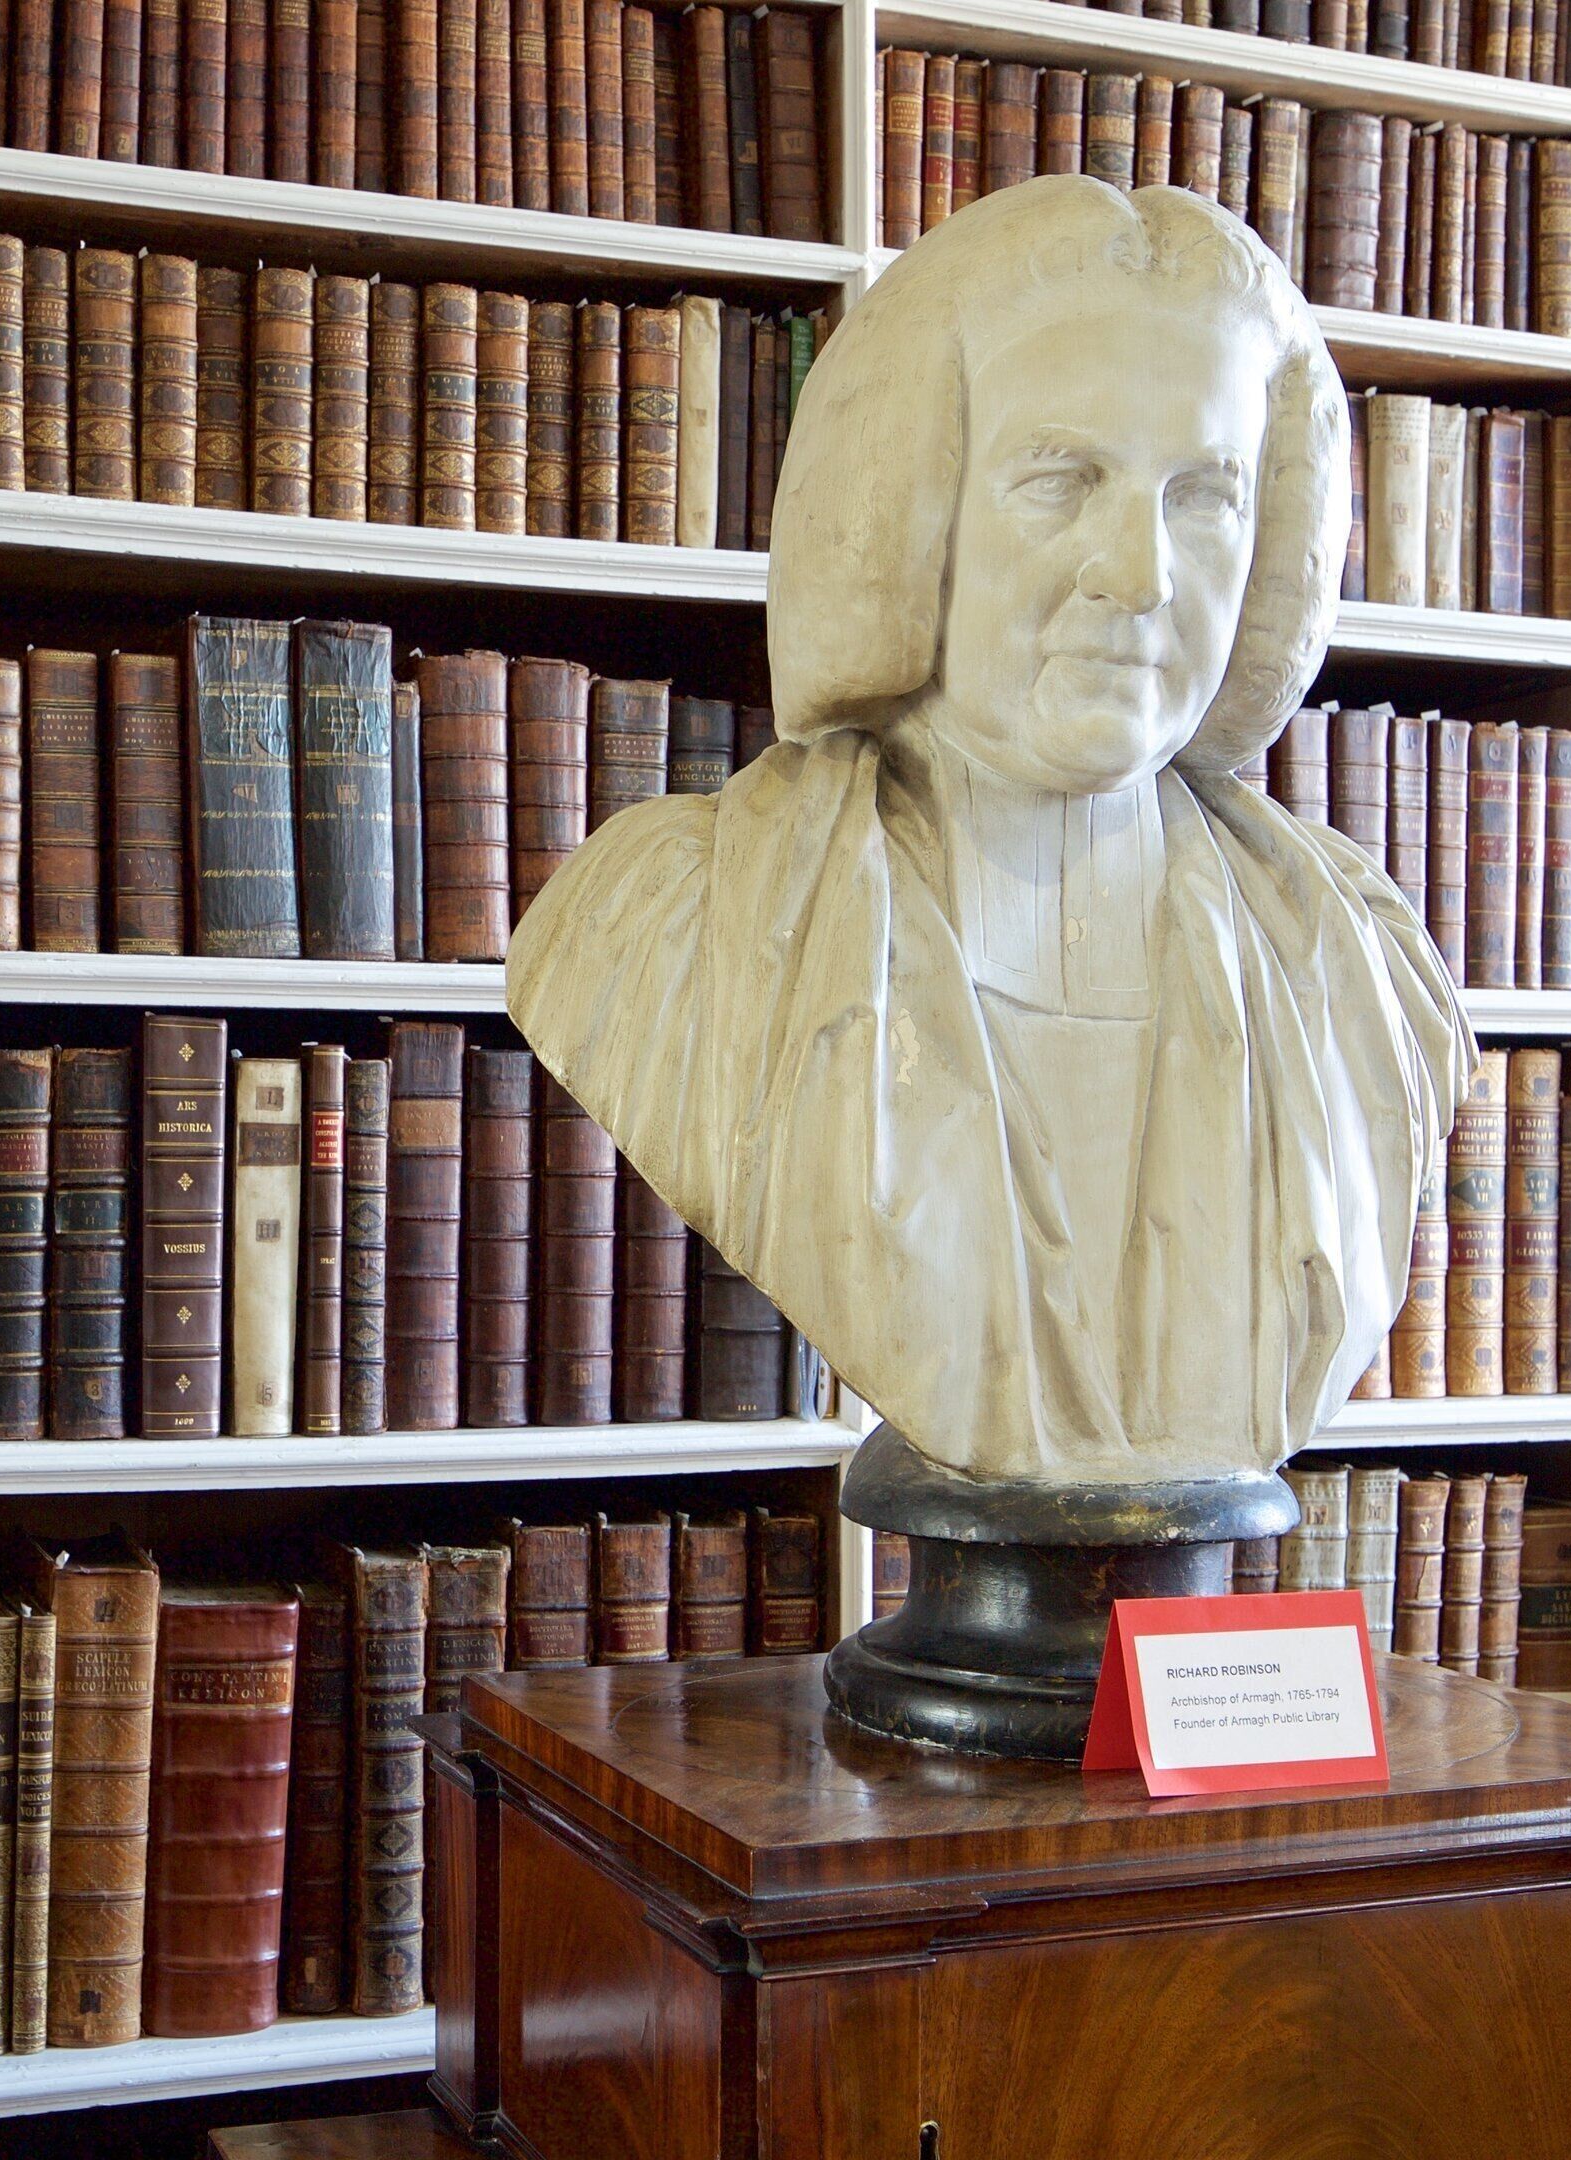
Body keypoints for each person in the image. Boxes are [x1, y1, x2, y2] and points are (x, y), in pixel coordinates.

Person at [509, 176, 1473, 1493]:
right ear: (918, 517)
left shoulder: (1361, 971)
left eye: (1204, 497)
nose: (1136, 574)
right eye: (1060, 480)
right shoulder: (672, 924)